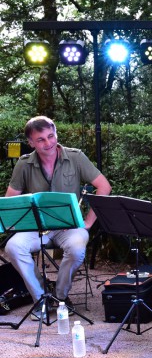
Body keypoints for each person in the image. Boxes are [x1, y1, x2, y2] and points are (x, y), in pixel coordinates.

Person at [4, 116, 112, 318]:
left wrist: (87, 223)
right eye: (41, 140)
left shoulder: (76, 157)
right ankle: (41, 298)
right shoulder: (23, 163)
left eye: (51, 136)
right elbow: (10, 200)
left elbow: (104, 186)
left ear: (56, 134)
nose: (48, 143)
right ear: (31, 143)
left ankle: (61, 297)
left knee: (77, 246)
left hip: (70, 226)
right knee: (13, 247)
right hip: (37, 228)